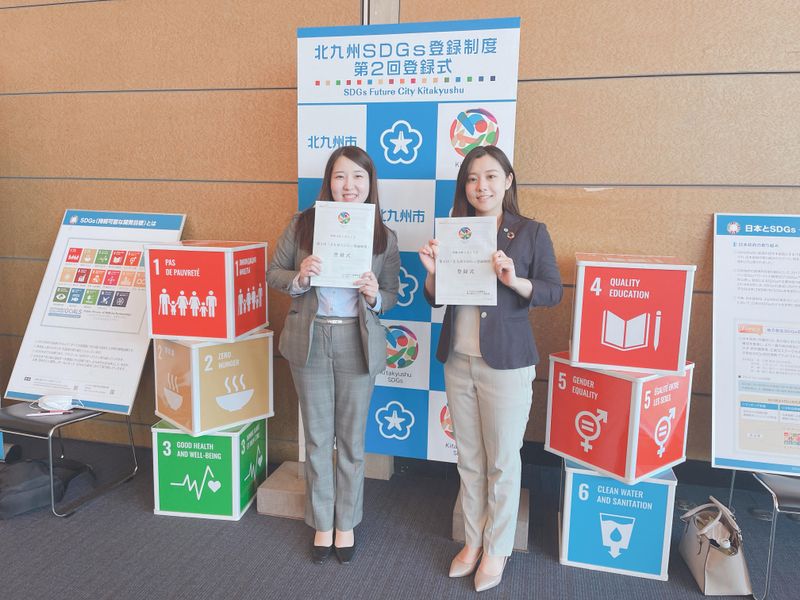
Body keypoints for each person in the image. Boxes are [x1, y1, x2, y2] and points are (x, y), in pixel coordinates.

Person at [419, 145, 562, 592]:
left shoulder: (531, 232)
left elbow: (553, 291)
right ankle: (473, 540)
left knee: (502, 460)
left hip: (506, 363)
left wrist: (514, 280)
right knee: (469, 458)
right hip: (458, 360)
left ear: (508, 180)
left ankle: (497, 548)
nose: (481, 186)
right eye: (472, 178)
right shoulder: (456, 230)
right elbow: (437, 297)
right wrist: (432, 273)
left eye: (491, 176)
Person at [267, 146, 400, 565]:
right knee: (318, 438)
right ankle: (322, 523)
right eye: (341, 176)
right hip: (310, 337)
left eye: (358, 177)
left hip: (355, 340)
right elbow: (273, 272)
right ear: (329, 181)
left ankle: (347, 522)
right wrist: (300, 276)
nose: (349, 186)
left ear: (370, 184)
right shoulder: (303, 224)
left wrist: (375, 295)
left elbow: (392, 295)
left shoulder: (382, 234)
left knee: (352, 440)